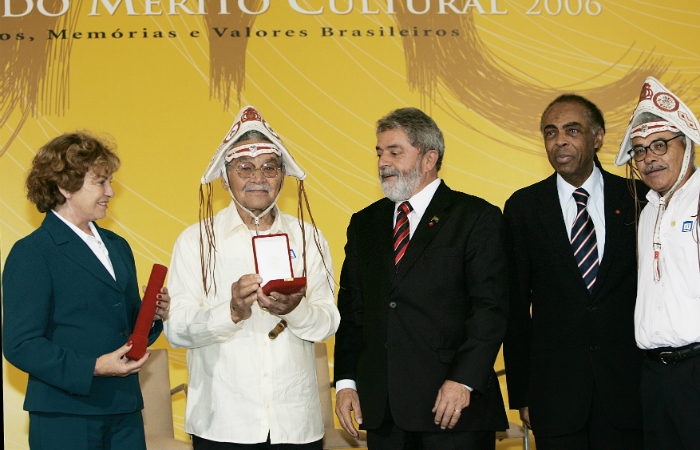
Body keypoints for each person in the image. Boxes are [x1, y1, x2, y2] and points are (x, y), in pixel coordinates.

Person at [164, 106, 340, 449]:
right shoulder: (195, 241)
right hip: (223, 424)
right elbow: (175, 330)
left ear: (283, 175)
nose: (258, 177)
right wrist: (231, 312)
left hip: (296, 425)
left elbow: (328, 323)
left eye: (269, 167)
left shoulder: (309, 238)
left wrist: (294, 308)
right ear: (224, 177)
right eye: (244, 167)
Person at [334, 107, 509, 450]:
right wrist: (345, 382)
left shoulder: (476, 217)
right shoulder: (365, 223)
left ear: (430, 159)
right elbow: (352, 308)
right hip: (384, 412)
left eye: (395, 152)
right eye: (380, 152)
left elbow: (490, 309)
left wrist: (462, 381)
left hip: (453, 408)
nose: (383, 162)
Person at [2, 132, 169, 450]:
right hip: (65, 416)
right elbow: (20, 345)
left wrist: (154, 316)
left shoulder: (118, 246)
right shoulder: (33, 252)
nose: (111, 192)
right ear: (65, 186)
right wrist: (93, 367)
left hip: (126, 411)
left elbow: (130, 331)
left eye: (110, 181)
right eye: (101, 182)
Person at [502, 94, 645, 449]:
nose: (559, 140)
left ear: (597, 137)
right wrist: (523, 393)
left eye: (572, 130)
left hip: (630, 393)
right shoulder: (523, 207)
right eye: (550, 133)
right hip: (555, 399)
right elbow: (515, 307)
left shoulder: (638, 197)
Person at [614, 77, 700, 450]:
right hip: (654, 374)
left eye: (660, 145)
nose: (649, 157)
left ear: (689, 145)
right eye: (639, 150)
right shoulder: (646, 210)